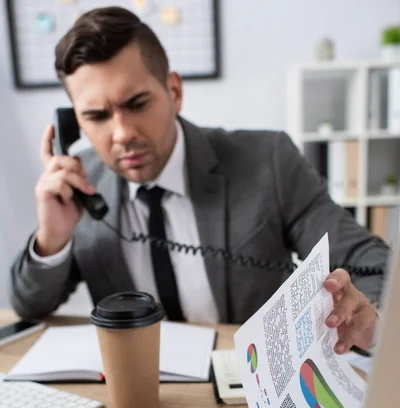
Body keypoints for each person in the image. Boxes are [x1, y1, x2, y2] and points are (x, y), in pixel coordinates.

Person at [10, 7, 388, 355]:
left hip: (248, 384)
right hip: (139, 388)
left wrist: (366, 311)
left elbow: (376, 265)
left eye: (137, 104)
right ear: (75, 122)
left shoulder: (267, 160)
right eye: (96, 116)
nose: (122, 133)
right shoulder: (80, 187)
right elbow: (30, 306)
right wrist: (52, 239)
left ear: (174, 92)